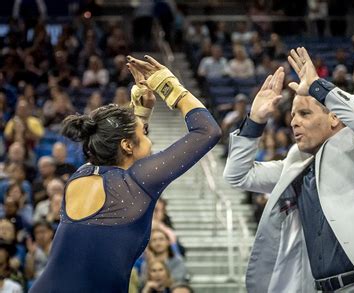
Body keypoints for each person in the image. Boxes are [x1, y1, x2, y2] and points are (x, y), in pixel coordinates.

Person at [223, 47, 354, 292]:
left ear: (334, 118)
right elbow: (237, 175)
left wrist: (317, 87)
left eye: (304, 113)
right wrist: (255, 120)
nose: (294, 122)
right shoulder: (295, 165)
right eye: (292, 116)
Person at [29, 55, 221, 292]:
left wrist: (140, 114)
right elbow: (208, 131)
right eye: (145, 134)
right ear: (127, 145)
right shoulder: (137, 181)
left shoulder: (79, 176)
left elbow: (120, 160)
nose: (149, 140)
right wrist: (170, 87)